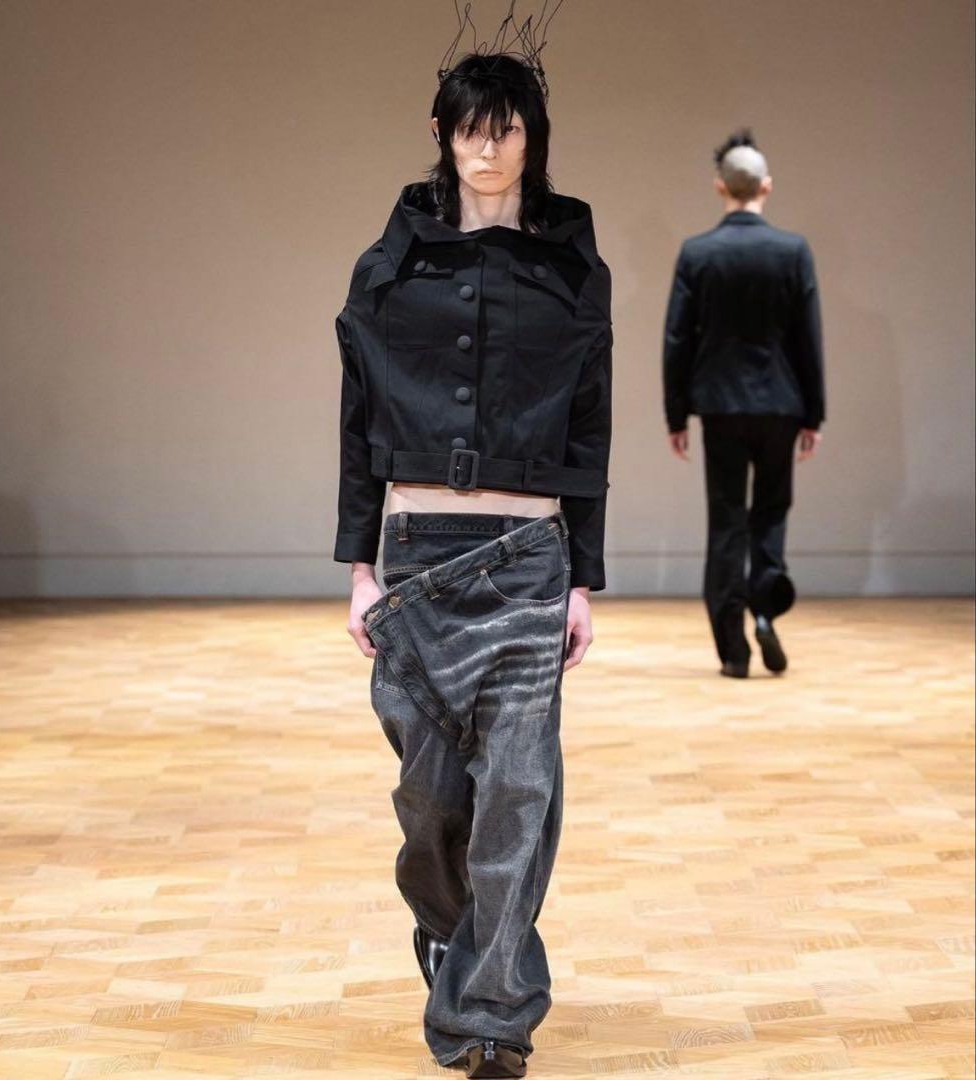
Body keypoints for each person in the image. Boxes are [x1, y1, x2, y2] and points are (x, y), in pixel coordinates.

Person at [331, 37, 612, 1080]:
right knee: (432, 805)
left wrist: (581, 576)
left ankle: (491, 1021)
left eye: (507, 130)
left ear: (534, 139)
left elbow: (590, 425)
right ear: (442, 135)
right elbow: (357, 420)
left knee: (517, 797)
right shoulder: (387, 268)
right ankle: (452, 935)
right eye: (469, 130)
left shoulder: (572, 268)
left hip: (528, 554)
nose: (487, 149)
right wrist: (359, 568)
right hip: (415, 558)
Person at [661, 129, 825, 678]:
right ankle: (766, 609)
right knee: (772, 512)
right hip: (781, 404)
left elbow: (677, 339)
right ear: (766, 186)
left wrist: (676, 413)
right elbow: (808, 338)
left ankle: (733, 649)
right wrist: (814, 413)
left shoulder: (698, 253)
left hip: (721, 407)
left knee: (727, 520)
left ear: (720, 187)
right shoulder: (792, 251)